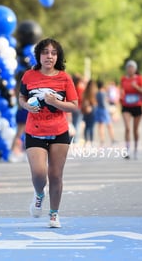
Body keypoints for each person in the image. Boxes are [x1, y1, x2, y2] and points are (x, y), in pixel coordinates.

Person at [18, 38, 78, 228]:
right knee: (38, 173)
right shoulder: (29, 76)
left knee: (55, 175)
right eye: (45, 52)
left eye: (53, 53)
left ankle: (54, 214)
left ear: (57, 56)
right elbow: (21, 96)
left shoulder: (64, 78)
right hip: (34, 131)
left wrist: (56, 103)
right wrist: (26, 105)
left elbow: (74, 106)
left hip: (59, 131)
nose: (49, 56)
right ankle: (39, 194)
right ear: (39, 55)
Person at [120, 60, 142, 159]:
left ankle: (136, 149)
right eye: (129, 67)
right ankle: (127, 150)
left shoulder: (139, 78)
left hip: (137, 105)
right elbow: (122, 89)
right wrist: (121, 94)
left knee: (135, 129)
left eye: (132, 67)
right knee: (127, 128)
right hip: (126, 105)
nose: (130, 69)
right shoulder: (123, 79)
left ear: (135, 69)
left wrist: (136, 87)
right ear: (127, 69)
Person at [95, 80, 116, 146]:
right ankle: (112, 139)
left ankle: (102, 140)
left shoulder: (97, 93)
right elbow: (105, 103)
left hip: (99, 109)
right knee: (109, 125)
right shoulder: (103, 93)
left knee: (101, 126)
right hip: (104, 110)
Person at [81, 79, 97, 146]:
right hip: (93, 109)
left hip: (86, 110)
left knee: (86, 126)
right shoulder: (95, 92)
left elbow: (83, 100)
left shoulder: (85, 92)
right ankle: (91, 141)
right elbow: (96, 102)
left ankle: (86, 140)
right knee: (91, 127)